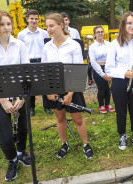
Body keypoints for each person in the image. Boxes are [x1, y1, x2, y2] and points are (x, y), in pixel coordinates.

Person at [42, 13, 94, 159]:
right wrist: (49, 91)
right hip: (54, 87)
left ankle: (86, 144)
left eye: (51, 26)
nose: (49, 29)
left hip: (71, 86)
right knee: (60, 119)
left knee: (77, 119)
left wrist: (70, 94)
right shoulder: (47, 47)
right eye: (47, 27)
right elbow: (45, 71)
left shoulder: (73, 45)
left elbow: (77, 72)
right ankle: (64, 144)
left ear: (61, 25)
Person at [0, 10, 31, 181]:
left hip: (19, 96)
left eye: (8, 24)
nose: (6, 27)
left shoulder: (20, 45)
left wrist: (21, 97)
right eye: (1, 24)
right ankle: (12, 160)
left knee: (22, 129)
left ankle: (21, 152)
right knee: (5, 137)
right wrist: (4, 101)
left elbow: (27, 73)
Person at [106, 12, 133, 150]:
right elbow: (109, 68)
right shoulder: (114, 44)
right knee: (121, 110)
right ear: (123, 25)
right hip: (119, 81)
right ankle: (122, 135)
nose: (132, 26)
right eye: (129, 23)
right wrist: (124, 73)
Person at [17, 9, 52, 116]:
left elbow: (48, 48)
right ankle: (31, 108)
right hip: (28, 62)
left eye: (36, 19)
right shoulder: (21, 34)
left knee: (44, 85)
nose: (34, 21)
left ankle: (47, 106)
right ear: (27, 19)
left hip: (42, 61)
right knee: (30, 85)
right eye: (31, 18)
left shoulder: (44, 33)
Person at [89, 25, 115, 113]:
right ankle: (101, 105)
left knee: (108, 88)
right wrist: (102, 74)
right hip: (98, 69)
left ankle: (107, 104)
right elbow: (93, 62)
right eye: (98, 32)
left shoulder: (109, 44)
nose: (100, 33)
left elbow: (113, 57)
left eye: (102, 32)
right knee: (101, 88)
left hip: (108, 67)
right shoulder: (92, 47)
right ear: (94, 34)